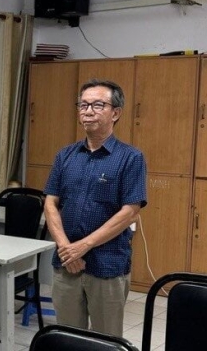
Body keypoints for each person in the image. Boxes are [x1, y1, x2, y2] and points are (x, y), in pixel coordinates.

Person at [43, 79, 147, 337]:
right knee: (66, 337)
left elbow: (130, 211)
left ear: (116, 112)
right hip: (66, 263)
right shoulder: (65, 155)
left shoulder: (130, 158)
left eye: (98, 105)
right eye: (83, 105)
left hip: (107, 265)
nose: (88, 111)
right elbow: (50, 202)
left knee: (105, 340)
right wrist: (67, 248)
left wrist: (84, 246)